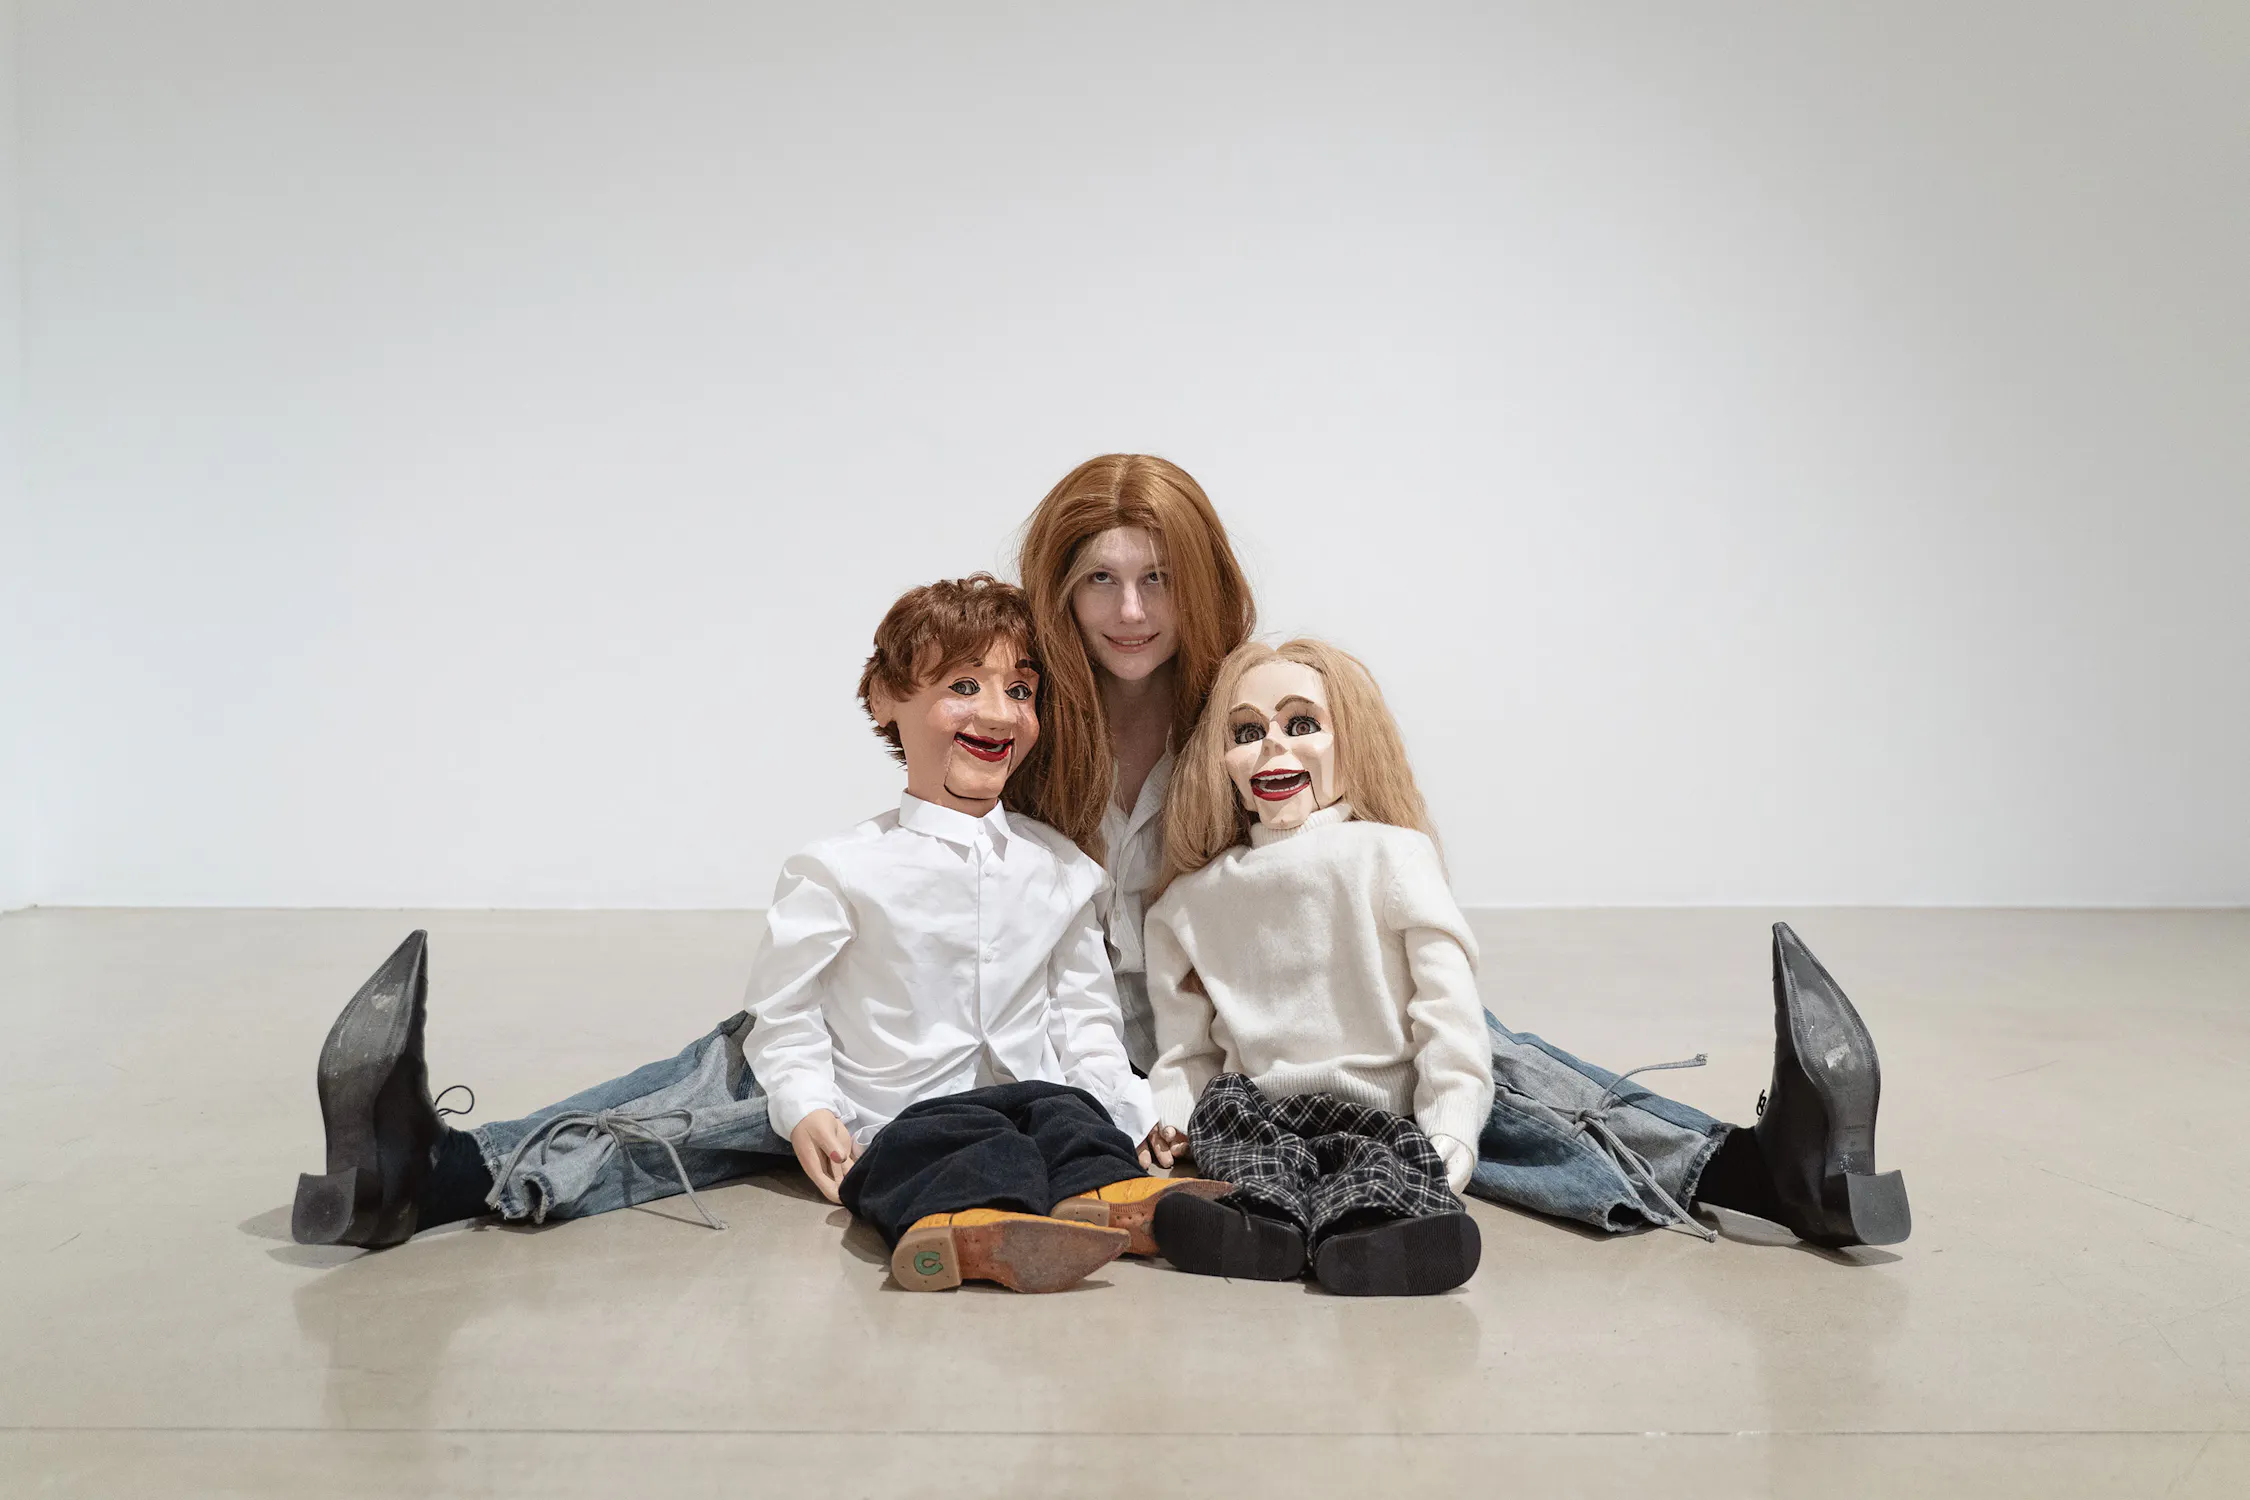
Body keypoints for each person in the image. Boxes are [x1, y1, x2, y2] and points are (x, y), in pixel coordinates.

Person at [291, 576, 1224, 1290]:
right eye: (962, 685)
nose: (996, 712)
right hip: (881, 1108)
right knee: (693, 1109)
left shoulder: (1062, 871)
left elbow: (1084, 1019)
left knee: (1066, 1126)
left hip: (1020, 1098)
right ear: (885, 701)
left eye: (1019, 689)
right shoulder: (842, 867)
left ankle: (423, 1173)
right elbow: (786, 1011)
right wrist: (808, 1105)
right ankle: (438, 1169)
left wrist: (1134, 1114)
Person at [1141, 639, 1490, 1296]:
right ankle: (1262, 1229)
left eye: (1302, 723)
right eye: (1247, 732)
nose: (1273, 745)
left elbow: (1448, 1013)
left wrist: (1451, 1126)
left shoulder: (1393, 857)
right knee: (1238, 1139)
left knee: (1378, 1161)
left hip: (1374, 1106)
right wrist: (1172, 1117)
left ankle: (1376, 1234)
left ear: (1352, 742)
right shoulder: (1190, 904)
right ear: (1220, 761)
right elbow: (1186, 1049)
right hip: (1259, 1108)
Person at [1008, 455, 1256, 1073]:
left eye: (1158, 578)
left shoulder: (1252, 719)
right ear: (1059, 588)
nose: (1131, 612)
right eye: (1100, 578)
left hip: (1224, 1051)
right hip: (1054, 1055)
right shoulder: (1013, 720)